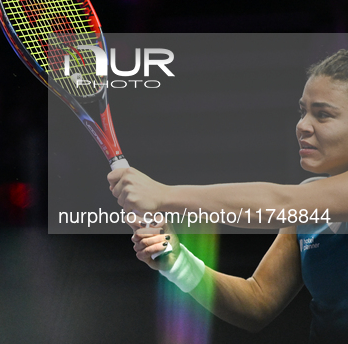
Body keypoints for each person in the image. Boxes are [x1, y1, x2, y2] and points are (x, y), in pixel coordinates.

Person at [107, 49, 348, 343]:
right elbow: (257, 301)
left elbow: (280, 203)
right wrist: (177, 261)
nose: (302, 126)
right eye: (303, 111)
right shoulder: (307, 204)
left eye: (322, 115)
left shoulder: (298, 205)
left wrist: (162, 194)